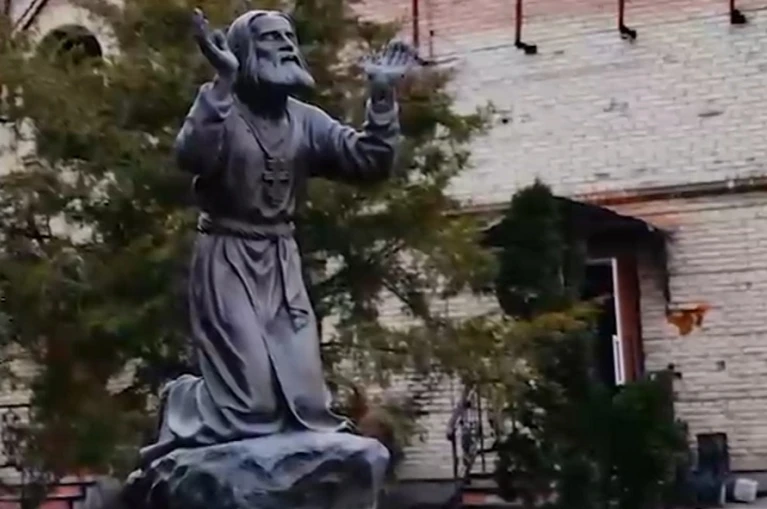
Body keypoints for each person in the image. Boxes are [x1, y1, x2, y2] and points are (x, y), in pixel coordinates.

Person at [139, 8, 417, 465]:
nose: (286, 45)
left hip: (282, 262)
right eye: (271, 38)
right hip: (227, 258)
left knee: (306, 405)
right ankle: (185, 402)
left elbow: (369, 162)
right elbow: (192, 155)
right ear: (245, 52)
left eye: (289, 37)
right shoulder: (224, 108)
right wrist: (222, 82)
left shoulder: (305, 120)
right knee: (253, 405)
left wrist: (382, 96)